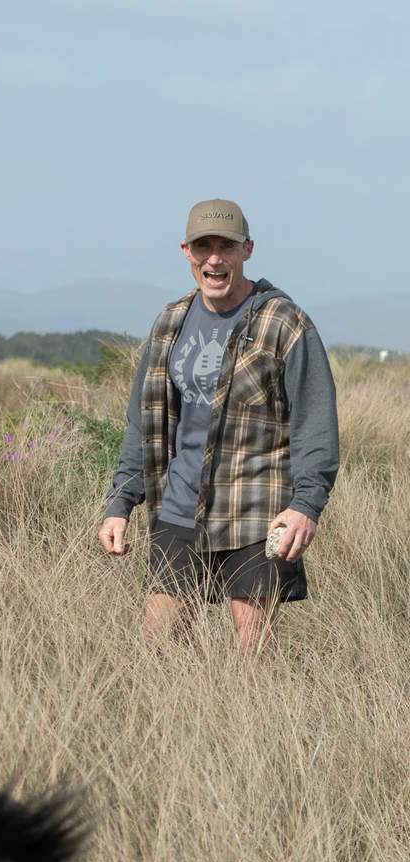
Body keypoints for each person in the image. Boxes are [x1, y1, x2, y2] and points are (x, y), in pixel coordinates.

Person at [97, 199, 339, 652]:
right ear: (185, 251)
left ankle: (258, 725)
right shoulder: (170, 321)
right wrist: (121, 501)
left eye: (225, 246)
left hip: (257, 509)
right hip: (179, 505)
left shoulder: (284, 323)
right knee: (160, 649)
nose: (214, 258)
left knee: (255, 662)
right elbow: (144, 423)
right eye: (203, 246)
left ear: (247, 250)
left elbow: (315, 423)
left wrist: (306, 505)